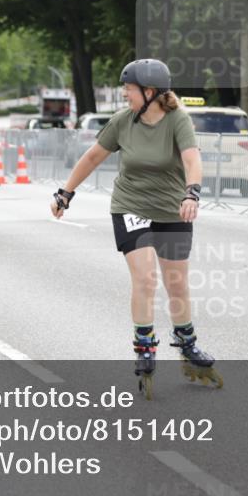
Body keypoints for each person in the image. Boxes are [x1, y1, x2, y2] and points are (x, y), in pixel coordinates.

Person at [50, 59, 222, 399]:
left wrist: (193, 193)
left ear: (150, 92)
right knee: (145, 278)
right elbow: (92, 158)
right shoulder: (122, 122)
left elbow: (191, 159)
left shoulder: (177, 120)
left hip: (172, 210)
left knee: (176, 283)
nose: (124, 95)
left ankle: (187, 345)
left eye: (128, 89)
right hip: (131, 207)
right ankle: (145, 346)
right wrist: (65, 193)